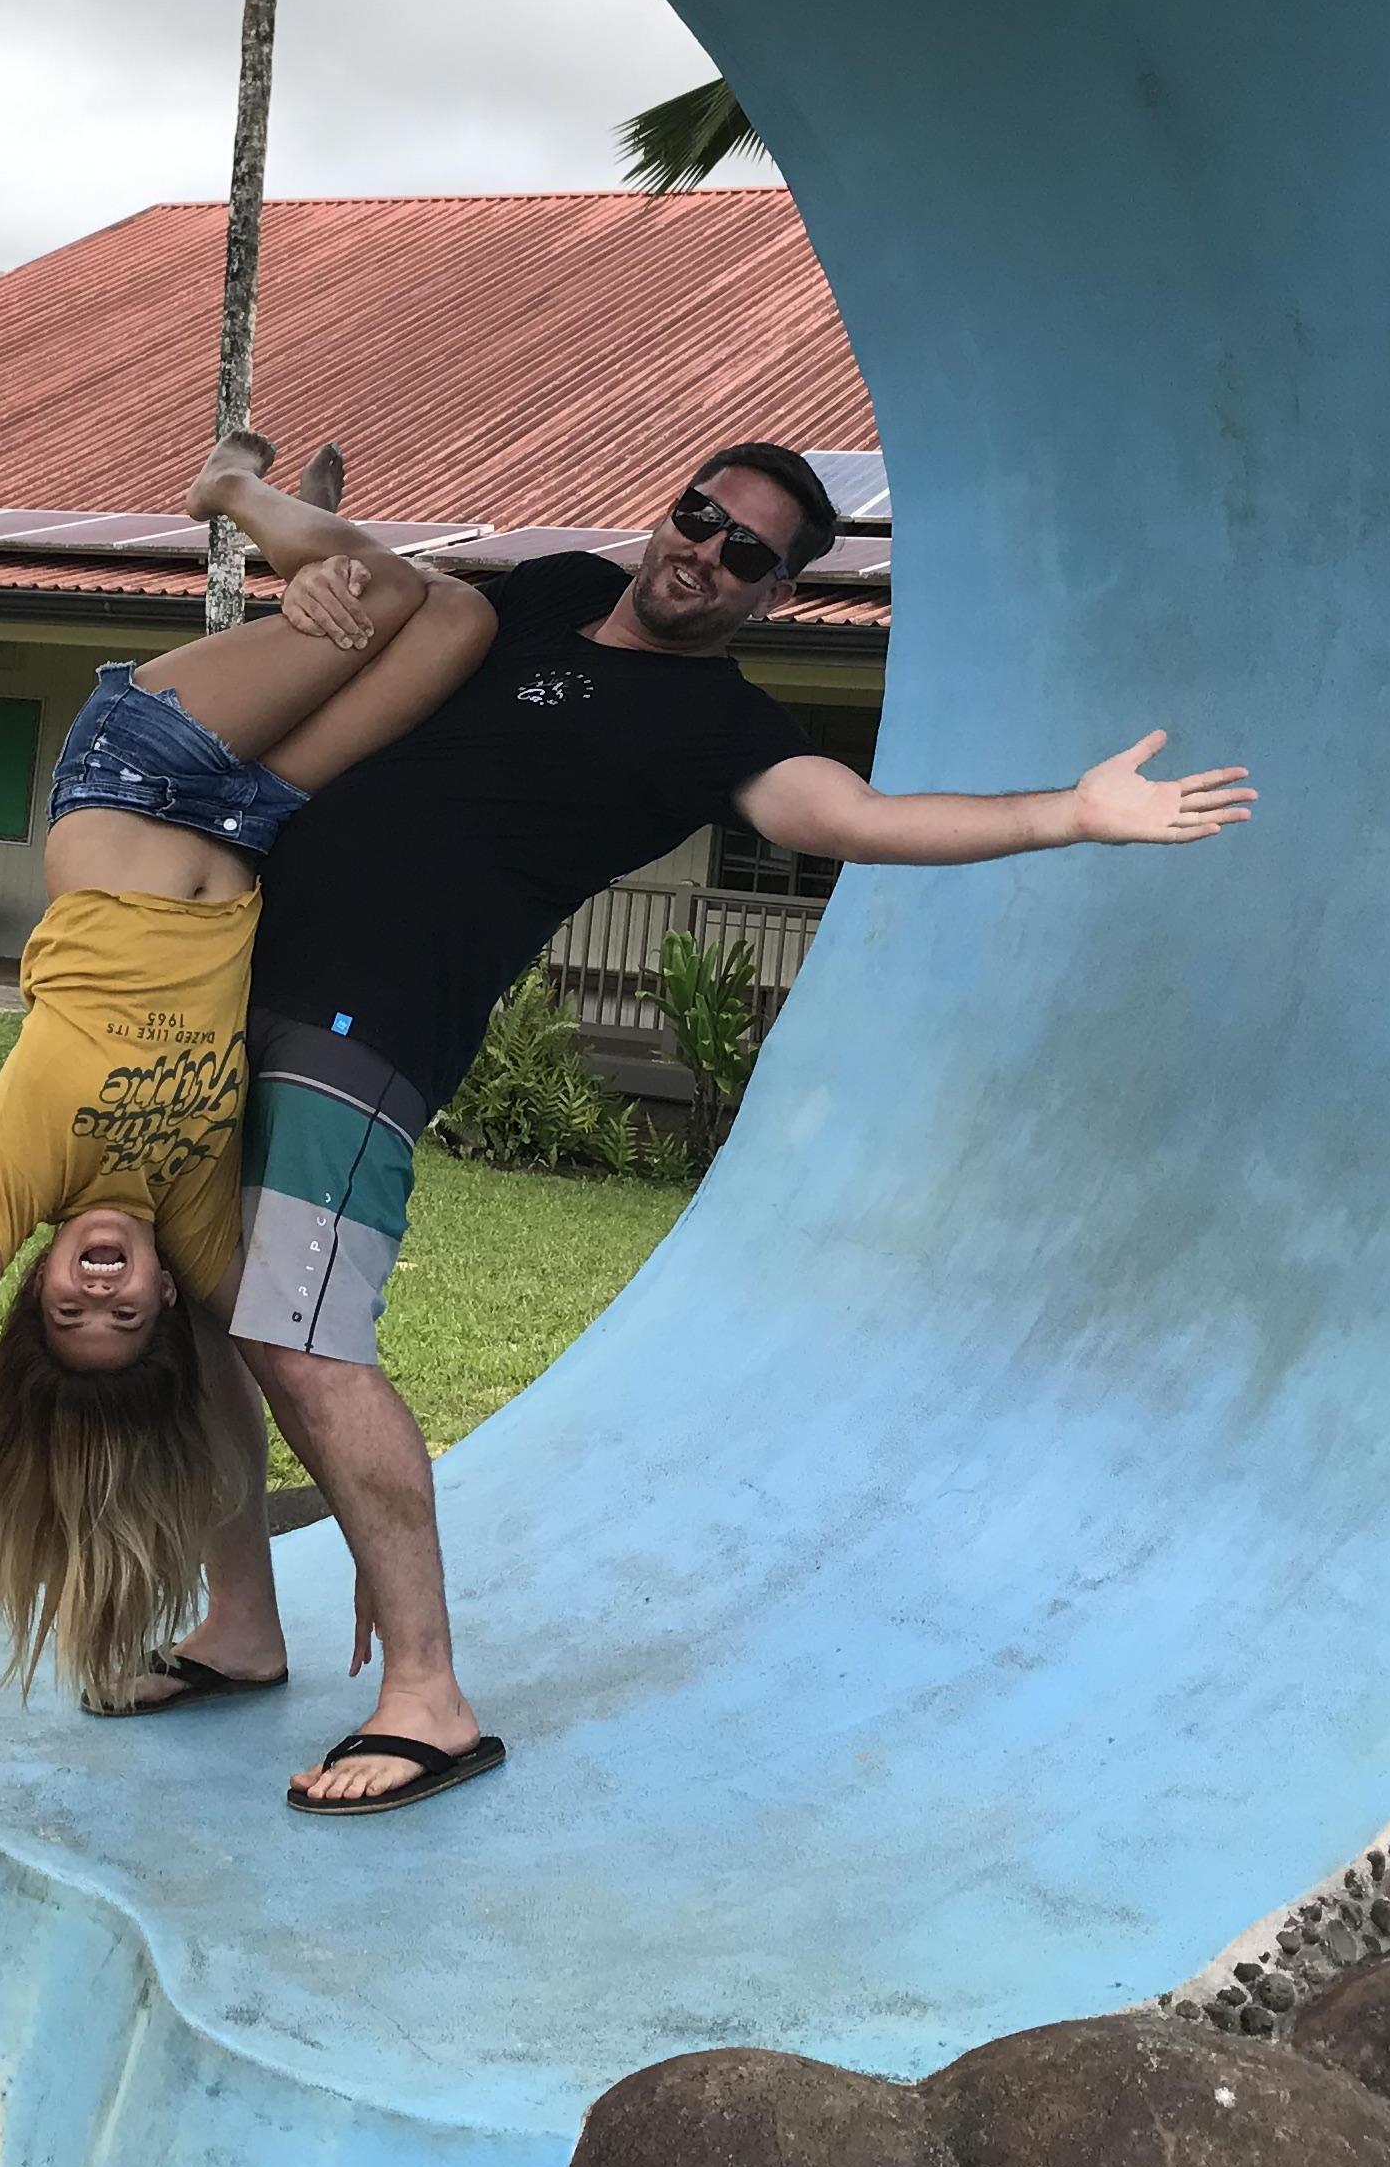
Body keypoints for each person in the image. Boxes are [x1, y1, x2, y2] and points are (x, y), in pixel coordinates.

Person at [205, 442, 1256, 1816]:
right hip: (233, 976)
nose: (705, 551)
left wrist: (1067, 812)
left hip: (370, 1027)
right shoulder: (549, 588)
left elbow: (862, 818)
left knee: (302, 1337)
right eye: (700, 516)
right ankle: (236, 1625)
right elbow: (379, 582)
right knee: (203, 1308)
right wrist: (246, 504)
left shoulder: (724, 730)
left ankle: (429, 1697)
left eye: (748, 551)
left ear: (776, 592)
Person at [0, 446, 498, 1715]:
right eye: (128, 1316)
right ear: (167, 1300)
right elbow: (270, 1392)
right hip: (254, 817)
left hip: (135, 772)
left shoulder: (11, 1179)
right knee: (459, 621)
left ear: (36, 1289)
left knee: (375, 592)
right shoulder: (192, 1230)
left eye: (70, 1308)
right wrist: (385, 1572)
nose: (103, 1290)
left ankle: (234, 496)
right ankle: (302, 546)